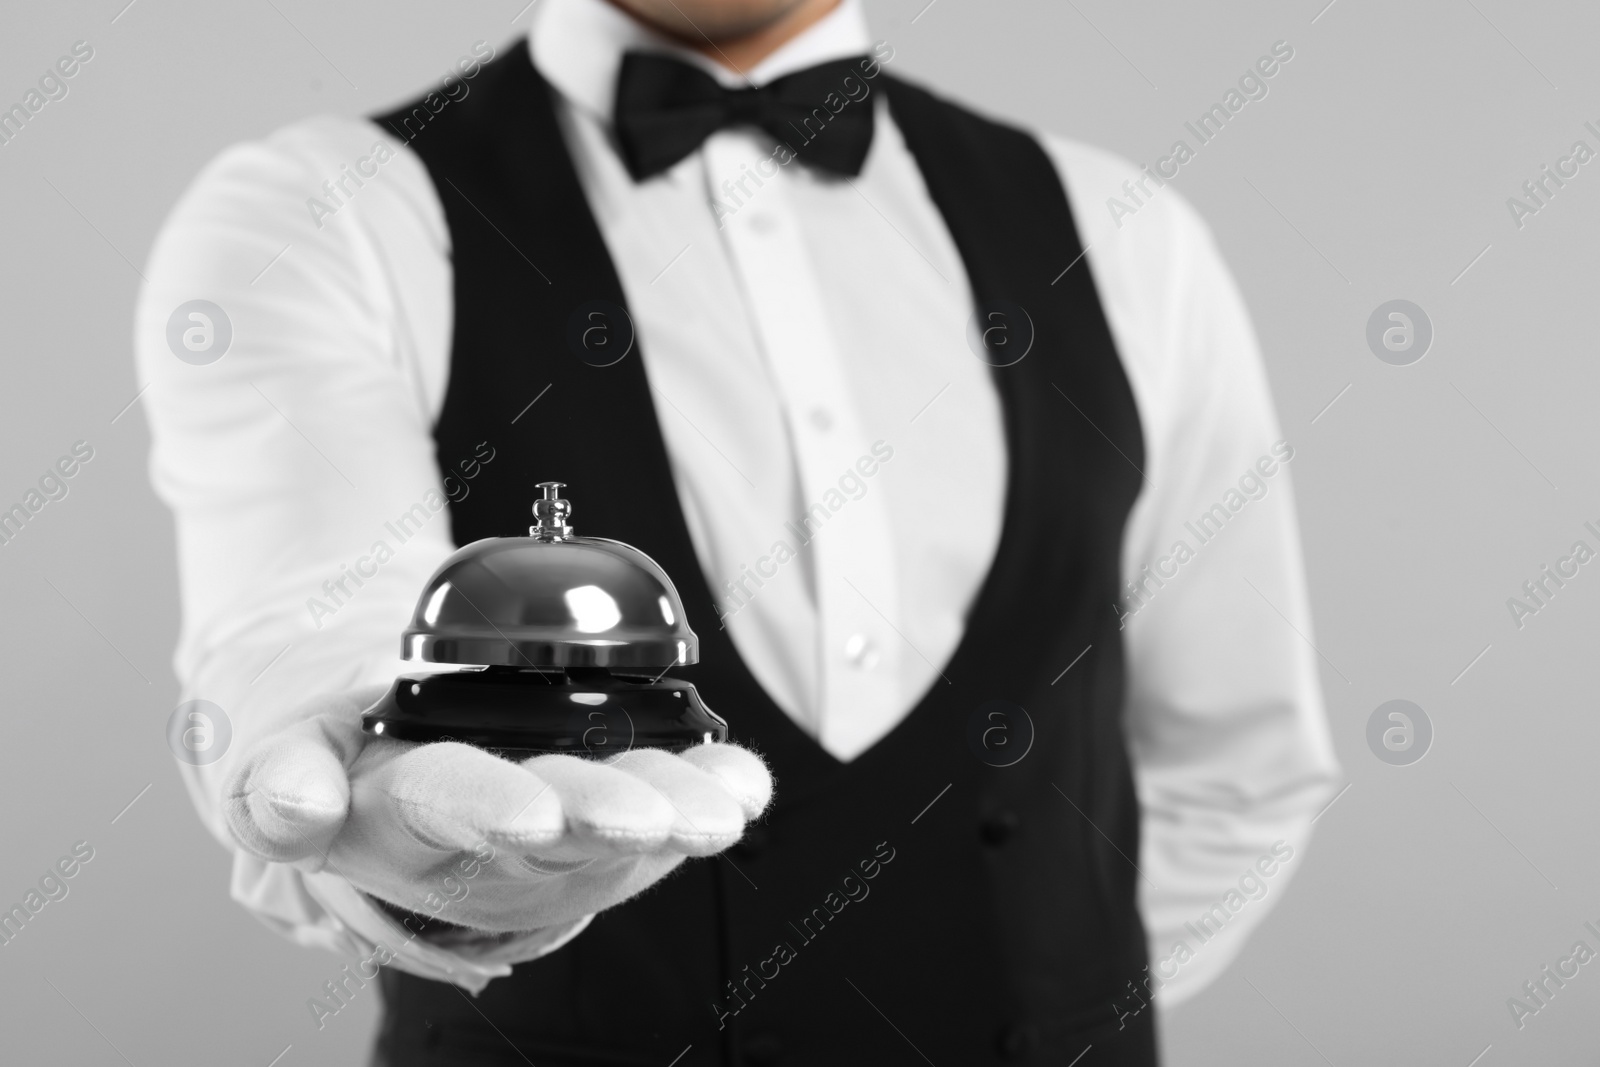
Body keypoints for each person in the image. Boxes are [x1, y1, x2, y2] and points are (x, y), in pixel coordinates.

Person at [135, 0, 1340, 1062]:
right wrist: (407, 849)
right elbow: (305, 626)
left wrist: (1063, 1003)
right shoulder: (330, 214)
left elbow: (1242, 761)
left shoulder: (1123, 231)